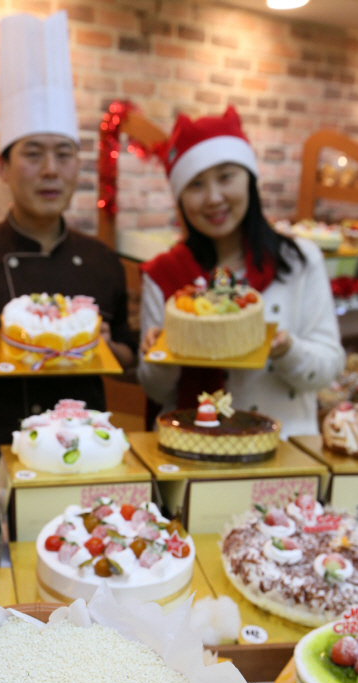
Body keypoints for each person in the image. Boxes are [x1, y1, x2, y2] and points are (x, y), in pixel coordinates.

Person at [0, 11, 135, 462]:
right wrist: (20, 355)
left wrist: (95, 346)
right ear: (1, 166)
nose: (50, 170)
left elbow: (126, 355)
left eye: (64, 155)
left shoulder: (102, 260)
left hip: (88, 454)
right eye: (33, 154)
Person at [138, 107, 344, 437]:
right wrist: (165, 353)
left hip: (285, 448)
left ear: (249, 177)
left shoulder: (301, 260)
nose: (213, 198)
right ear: (180, 197)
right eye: (195, 185)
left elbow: (328, 369)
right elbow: (155, 391)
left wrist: (287, 349)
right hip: (191, 447)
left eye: (225, 177)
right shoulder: (164, 275)